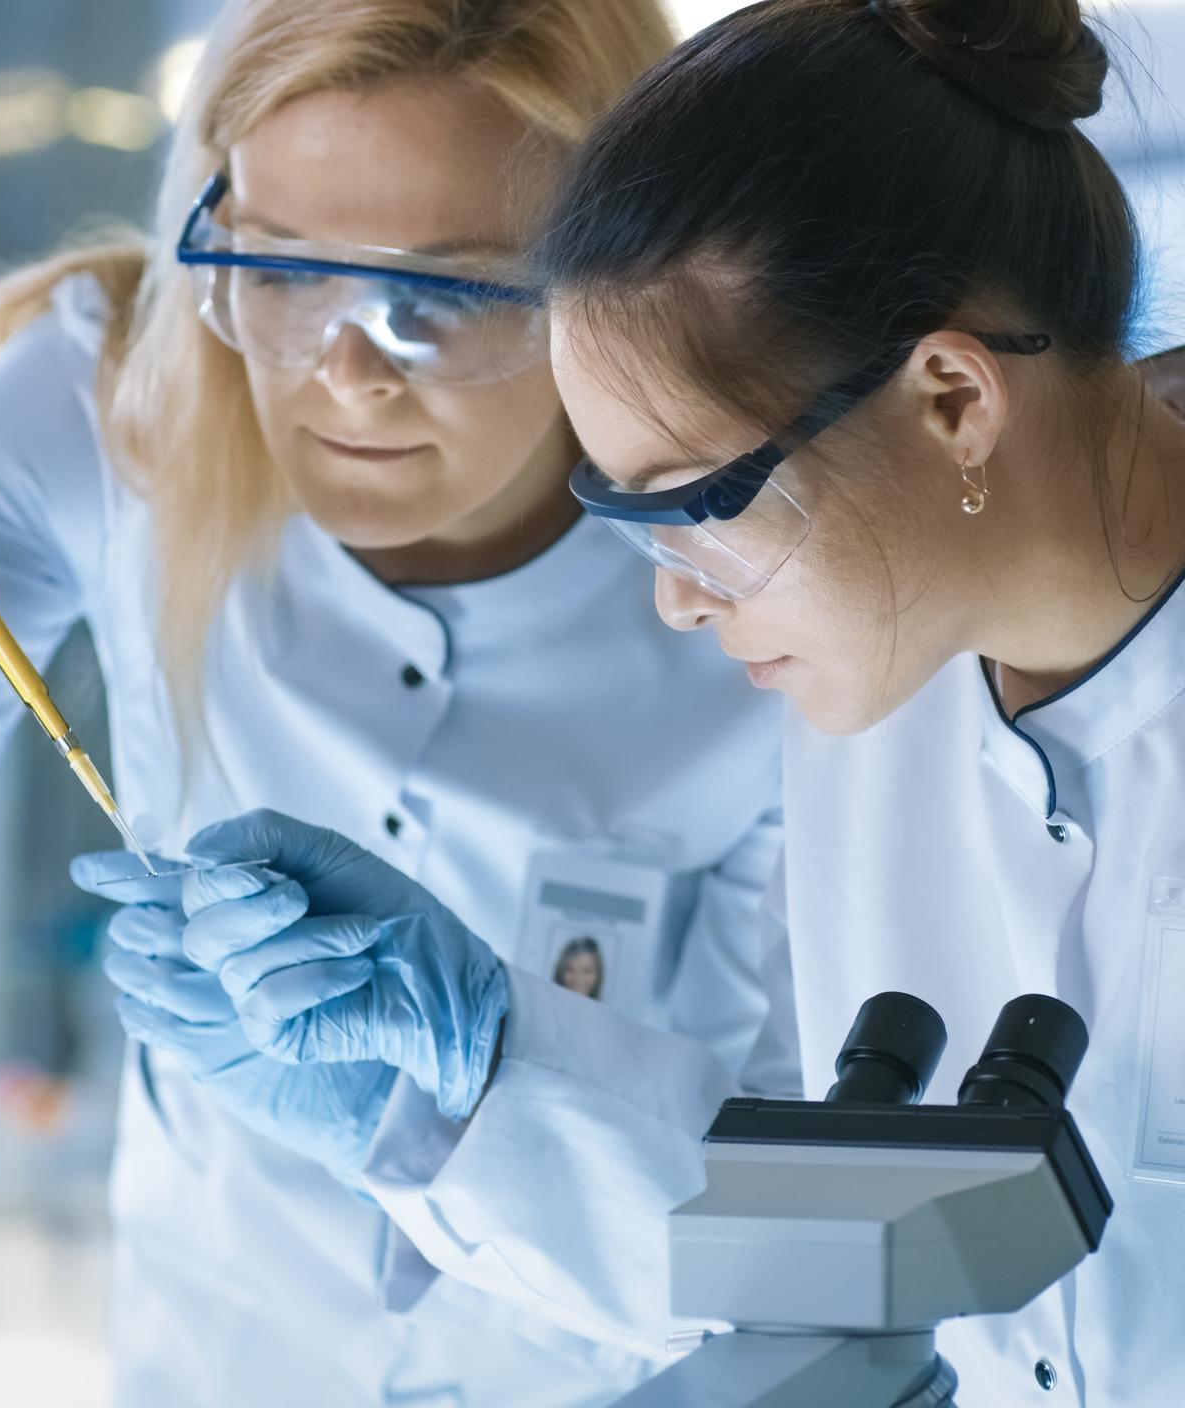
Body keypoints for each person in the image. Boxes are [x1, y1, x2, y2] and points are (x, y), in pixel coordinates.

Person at [116, 1, 1185, 1403]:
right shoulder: (886, 696)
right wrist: (465, 1085)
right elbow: (862, 1252)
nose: (675, 602)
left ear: (950, 400)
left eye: (700, 508)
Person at [0, 1, 796, 1402]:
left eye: (454, 291)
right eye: (282, 269)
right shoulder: (117, 391)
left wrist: (455, 1089)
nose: (349, 369)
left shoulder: (762, 573)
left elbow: (795, 1192)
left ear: (621, 281)